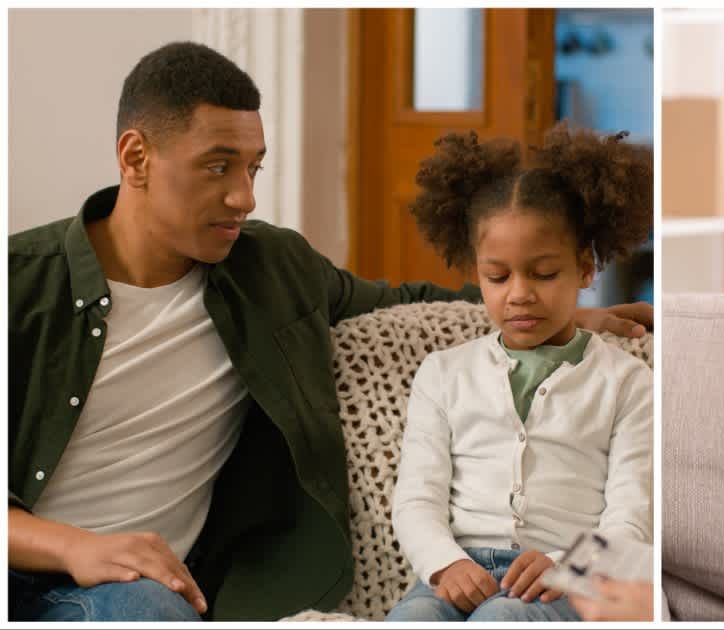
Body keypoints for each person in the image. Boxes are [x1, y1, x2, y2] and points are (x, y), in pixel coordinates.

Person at [7, 42, 651, 622]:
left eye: (253, 169)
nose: (244, 198)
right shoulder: (20, 284)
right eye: (217, 167)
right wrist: (76, 548)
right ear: (135, 156)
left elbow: (407, 300)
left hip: (165, 592)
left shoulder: (271, 269)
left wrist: (563, 310)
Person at [384, 124, 653, 622]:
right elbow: (416, 498)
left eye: (544, 274)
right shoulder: (442, 373)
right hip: (455, 574)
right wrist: (446, 565)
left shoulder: (628, 383)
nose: (520, 293)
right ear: (476, 274)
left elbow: (632, 516)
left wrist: (562, 564)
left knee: (501, 621)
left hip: (565, 583)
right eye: (498, 276)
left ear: (585, 268)